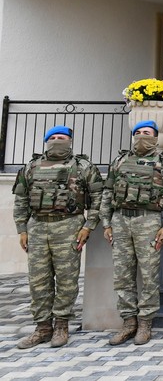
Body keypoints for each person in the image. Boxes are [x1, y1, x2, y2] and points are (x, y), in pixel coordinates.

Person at [13, 126, 103, 349]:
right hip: (37, 227)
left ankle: (61, 326)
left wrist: (88, 227)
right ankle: (43, 328)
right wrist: (22, 229)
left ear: (70, 141)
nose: (56, 141)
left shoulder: (83, 167)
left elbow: (98, 198)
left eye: (61, 138)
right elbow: (21, 200)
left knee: (66, 280)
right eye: (52, 138)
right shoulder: (31, 167)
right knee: (38, 280)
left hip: (69, 226)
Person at [102, 120, 163, 346]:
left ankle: (145, 322)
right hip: (120, 220)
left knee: (148, 275)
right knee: (123, 275)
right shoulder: (119, 161)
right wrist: (106, 223)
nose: (142, 135)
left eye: (147, 133)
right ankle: (129, 322)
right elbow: (108, 193)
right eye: (138, 132)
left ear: (155, 137)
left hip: (149, 221)